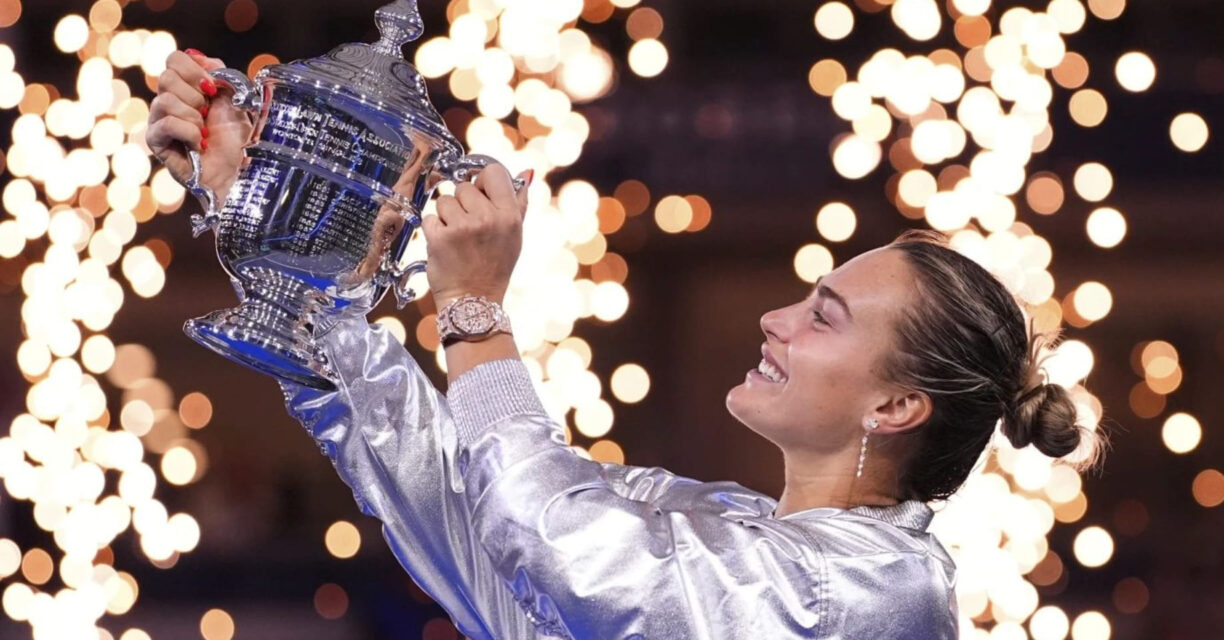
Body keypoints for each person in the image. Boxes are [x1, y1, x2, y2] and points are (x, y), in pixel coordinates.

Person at [148, 50, 1105, 640]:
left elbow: (562, 543)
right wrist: (260, 212)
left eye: (824, 317)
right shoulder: (725, 531)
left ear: (895, 408)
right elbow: (469, 509)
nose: (776, 320)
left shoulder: (871, 596)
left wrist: (476, 311)